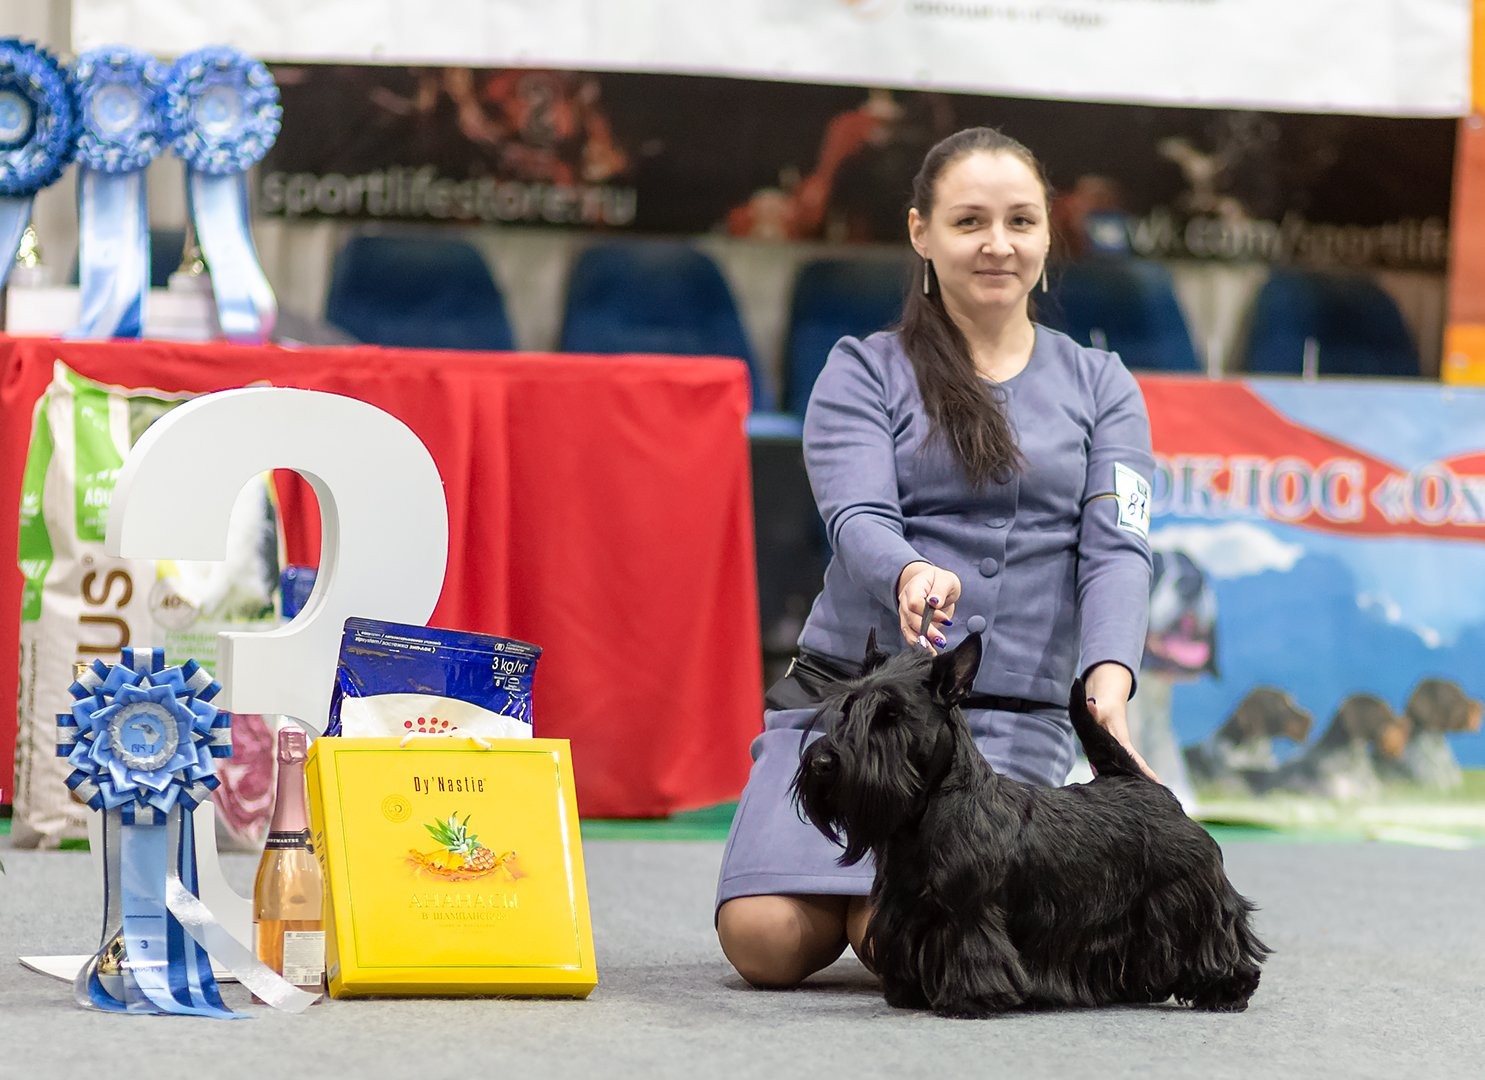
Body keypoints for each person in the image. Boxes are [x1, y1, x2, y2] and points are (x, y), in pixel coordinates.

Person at [714, 126, 1158, 989]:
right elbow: (857, 515)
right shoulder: (860, 370)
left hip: (995, 726)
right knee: (763, 941)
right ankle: (831, 891)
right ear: (921, 232)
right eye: (969, 222)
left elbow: (1119, 549)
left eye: (1020, 221)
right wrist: (907, 571)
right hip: (851, 709)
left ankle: (867, 904)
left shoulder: (1105, 385)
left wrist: (1107, 688)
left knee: (905, 943)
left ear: (1046, 234)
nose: (998, 244)